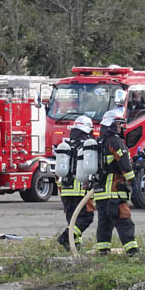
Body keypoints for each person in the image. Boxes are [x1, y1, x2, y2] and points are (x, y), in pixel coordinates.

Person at [93, 109, 139, 256]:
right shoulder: (115, 141)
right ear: (112, 125)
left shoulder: (99, 142)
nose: (120, 127)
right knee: (124, 221)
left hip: (100, 192)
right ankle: (133, 252)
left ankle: (103, 252)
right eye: (118, 124)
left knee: (104, 224)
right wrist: (133, 181)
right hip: (114, 190)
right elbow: (124, 163)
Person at [56, 116, 96, 251]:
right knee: (86, 218)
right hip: (81, 189)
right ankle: (66, 237)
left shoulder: (66, 144)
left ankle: (73, 247)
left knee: (72, 220)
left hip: (66, 190)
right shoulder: (88, 145)